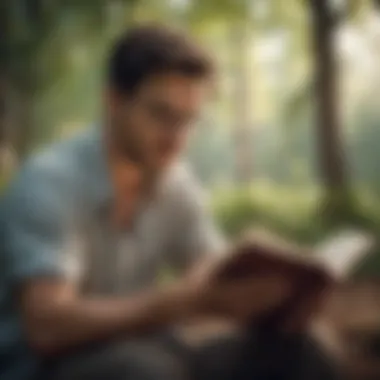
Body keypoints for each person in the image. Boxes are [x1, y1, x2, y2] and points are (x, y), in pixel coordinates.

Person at [0, 24, 339, 380]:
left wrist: (278, 299)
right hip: (51, 368)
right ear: (114, 101)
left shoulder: (175, 180)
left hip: (152, 352)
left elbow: (211, 270)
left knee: (305, 351)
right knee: (148, 370)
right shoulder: (50, 181)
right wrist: (177, 303)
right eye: (162, 115)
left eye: (189, 121)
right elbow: (47, 328)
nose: (177, 139)